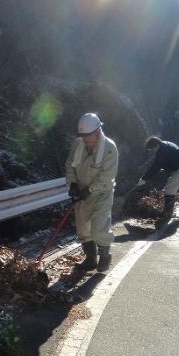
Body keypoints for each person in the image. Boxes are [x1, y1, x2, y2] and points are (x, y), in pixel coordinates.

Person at [65, 113, 119, 272]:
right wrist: (73, 184)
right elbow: (70, 165)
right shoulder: (77, 144)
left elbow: (107, 176)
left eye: (88, 135)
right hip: (81, 192)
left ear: (98, 130)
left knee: (99, 229)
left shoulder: (109, 148)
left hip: (101, 194)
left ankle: (105, 257)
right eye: (83, 135)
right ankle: (90, 259)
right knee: (82, 229)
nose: (85, 139)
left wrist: (89, 190)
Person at [137, 136, 179, 229]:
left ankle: (167, 214)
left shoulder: (162, 152)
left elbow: (155, 167)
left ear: (156, 145)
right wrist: (167, 168)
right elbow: (169, 160)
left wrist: (144, 178)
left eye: (153, 148)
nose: (153, 151)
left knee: (170, 188)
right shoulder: (166, 144)